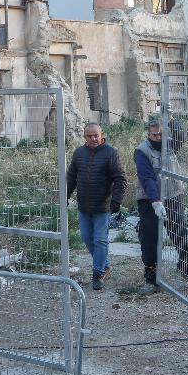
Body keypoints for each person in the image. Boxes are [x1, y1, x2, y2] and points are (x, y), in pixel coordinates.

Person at [134, 118, 188, 295]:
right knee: (149, 238)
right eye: (155, 134)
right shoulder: (141, 151)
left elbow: (180, 136)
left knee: (180, 233)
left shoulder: (171, 145)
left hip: (173, 195)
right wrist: (155, 201)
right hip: (148, 200)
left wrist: (173, 121)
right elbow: (147, 178)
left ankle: (186, 271)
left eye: (161, 133)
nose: (158, 137)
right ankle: (151, 279)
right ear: (148, 134)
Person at [66, 122, 126, 290]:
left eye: (96, 135)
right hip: (84, 206)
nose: (94, 138)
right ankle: (105, 264)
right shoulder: (78, 153)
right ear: (84, 137)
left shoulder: (111, 153)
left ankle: (97, 273)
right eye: (90, 136)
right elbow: (71, 177)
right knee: (86, 238)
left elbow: (120, 178)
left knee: (100, 240)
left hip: (103, 206)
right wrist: (65, 196)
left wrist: (116, 201)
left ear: (102, 135)